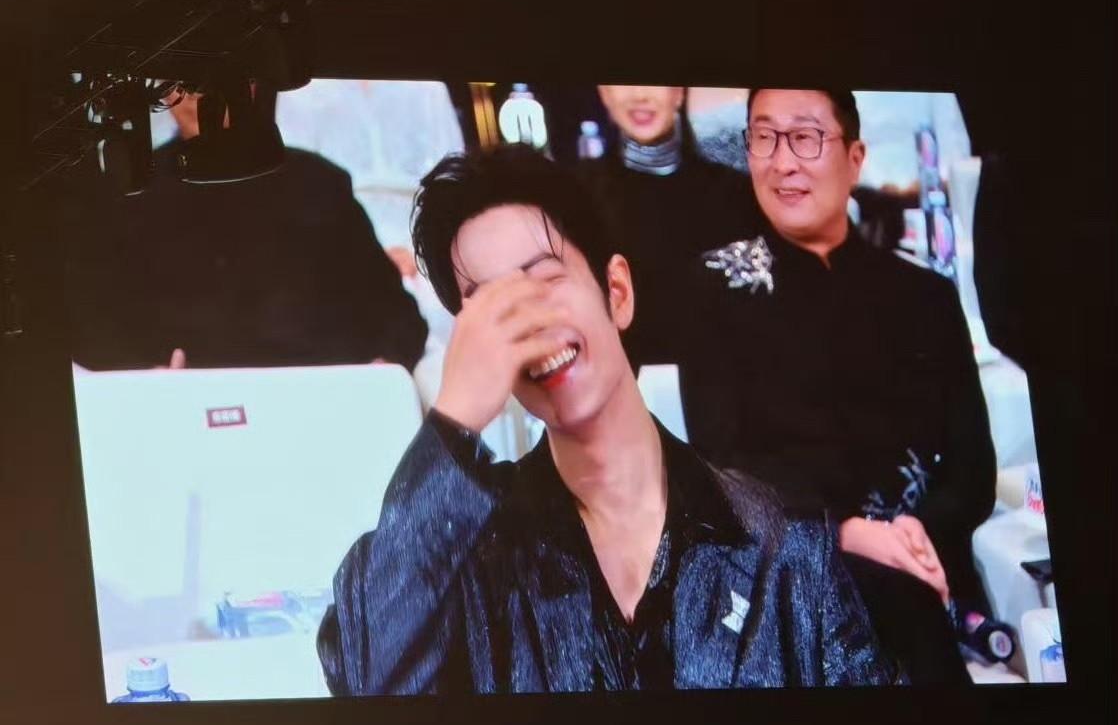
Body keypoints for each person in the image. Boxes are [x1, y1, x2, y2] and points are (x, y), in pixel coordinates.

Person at [316, 144, 899, 694]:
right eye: (493, 308)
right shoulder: (473, 557)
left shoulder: (786, 545)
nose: (529, 322)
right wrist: (454, 421)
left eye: (544, 279)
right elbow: (368, 682)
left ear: (616, 291)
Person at [685, 89, 996, 683]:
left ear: (855, 158)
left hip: (921, 559)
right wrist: (847, 533)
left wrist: (913, 534)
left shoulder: (926, 296)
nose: (783, 162)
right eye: (764, 137)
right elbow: (720, 465)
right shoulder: (713, 289)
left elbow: (973, 469)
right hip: (793, 567)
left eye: (805, 137)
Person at [62, 88, 428, 370]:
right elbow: (90, 325)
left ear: (253, 84)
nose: (198, 95)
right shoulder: (127, 194)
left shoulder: (319, 181)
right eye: (182, 84)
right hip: (182, 408)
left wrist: (379, 371)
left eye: (212, 78)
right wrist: (144, 375)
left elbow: (398, 319)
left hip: (317, 401)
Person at [577, 85, 760, 371]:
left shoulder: (734, 194)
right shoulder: (578, 194)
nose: (640, 95)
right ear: (604, 92)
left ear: (679, 92)